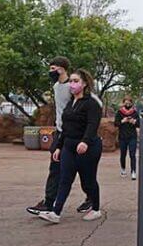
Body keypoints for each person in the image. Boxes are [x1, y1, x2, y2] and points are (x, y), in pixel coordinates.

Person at [26, 57, 92, 215]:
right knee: (55, 167)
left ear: (62, 69)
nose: (51, 72)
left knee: (82, 169)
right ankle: (49, 202)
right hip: (61, 132)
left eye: (53, 69)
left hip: (76, 134)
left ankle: (91, 198)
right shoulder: (56, 86)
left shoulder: (72, 87)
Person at [38, 69, 103, 224]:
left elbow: (92, 125)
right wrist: (59, 146)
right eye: (71, 81)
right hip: (69, 146)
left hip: (87, 148)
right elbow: (65, 127)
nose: (72, 84)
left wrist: (85, 141)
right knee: (65, 179)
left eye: (76, 81)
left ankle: (96, 209)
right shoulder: (70, 103)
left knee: (88, 181)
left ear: (84, 83)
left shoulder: (91, 103)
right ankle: (56, 212)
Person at [115, 95, 140, 180]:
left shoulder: (135, 112)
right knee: (123, 154)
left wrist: (134, 121)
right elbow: (116, 123)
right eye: (126, 103)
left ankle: (133, 171)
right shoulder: (119, 112)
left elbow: (139, 124)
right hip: (122, 136)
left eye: (129, 103)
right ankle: (123, 169)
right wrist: (123, 121)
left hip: (132, 136)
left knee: (132, 154)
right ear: (123, 103)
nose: (127, 104)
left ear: (131, 103)